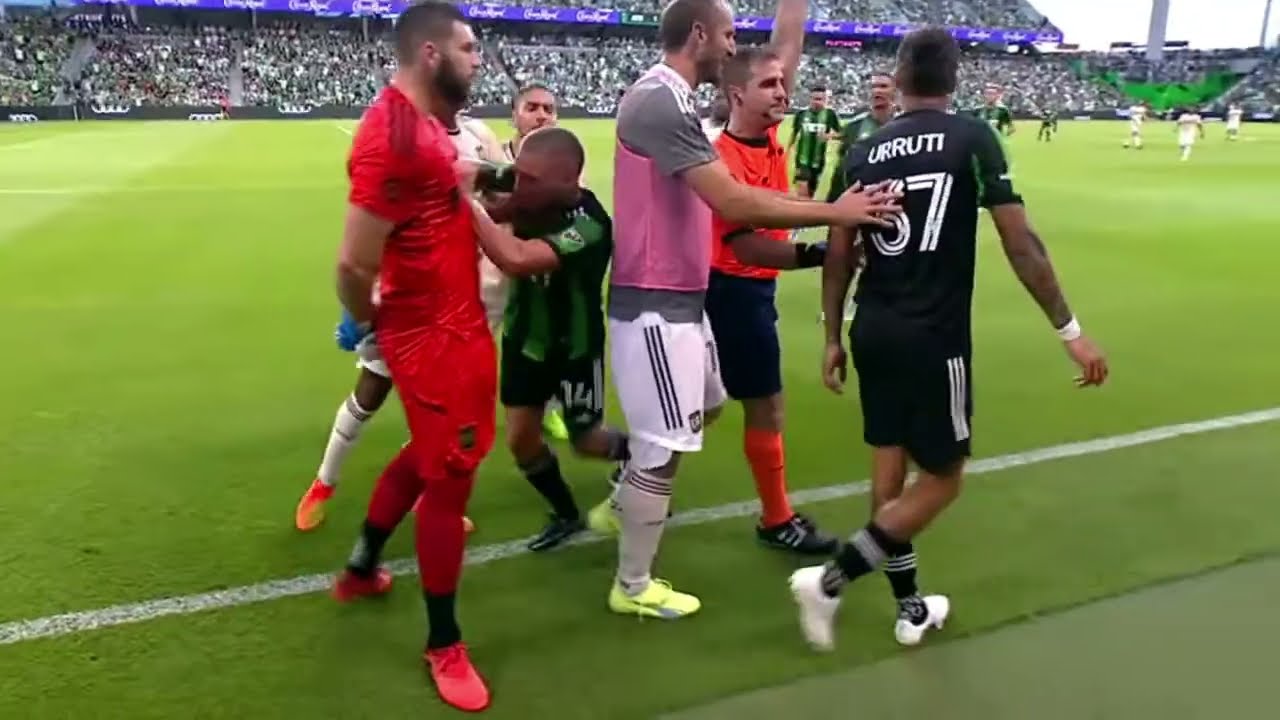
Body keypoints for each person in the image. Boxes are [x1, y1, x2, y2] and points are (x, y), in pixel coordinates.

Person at [790, 27, 1109, 652]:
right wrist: (1069, 330)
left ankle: (911, 608)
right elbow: (1022, 245)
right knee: (942, 479)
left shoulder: (864, 149)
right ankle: (829, 581)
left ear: (900, 78)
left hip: (872, 327)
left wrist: (833, 335)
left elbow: (837, 256)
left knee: (889, 476)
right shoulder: (972, 138)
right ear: (955, 79)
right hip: (933, 337)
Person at [596, 0, 901, 621]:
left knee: (704, 407)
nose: (736, 48)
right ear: (701, 35)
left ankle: (626, 497)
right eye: (731, 36)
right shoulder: (661, 100)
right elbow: (734, 202)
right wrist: (838, 214)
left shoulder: (680, 100)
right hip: (655, 301)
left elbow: (783, 49)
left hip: (685, 301)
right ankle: (632, 584)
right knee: (662, 447)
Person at [326, 3, 553, 711]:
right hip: (427, 337)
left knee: (432, 458)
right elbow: (352, 263)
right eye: (469, 46)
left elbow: (453, 175)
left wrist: (508, 183)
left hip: (460, 324)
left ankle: (362, 564)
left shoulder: (425, 125)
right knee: (451, 477)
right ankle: (444, 643)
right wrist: (374, 326)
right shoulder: (390, 135)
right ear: (431, 54)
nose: (478, 58)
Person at [293, 104, 502, 532]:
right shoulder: (409, 141)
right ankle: (323, 483)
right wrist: (361, 304)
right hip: (408, 294)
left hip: (461, 298)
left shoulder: (479, 133)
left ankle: (426, 499)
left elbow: (500, 194)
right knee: (371, 389)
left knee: (443, 407)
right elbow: (380, 222)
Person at [701, 38, 837, 553]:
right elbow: (750, 245)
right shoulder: (724, 159)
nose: (783, 92)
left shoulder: (771, 137)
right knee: (761, 409)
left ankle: (634, 474)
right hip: (732, 291)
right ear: (736, 95)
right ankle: (777, 519)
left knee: (700, 409)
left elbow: (786, 49)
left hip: (747, 292)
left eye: (782, 82)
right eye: (769, 84)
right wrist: (823, 253)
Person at [488, 127, 631, 552]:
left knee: (587, 441)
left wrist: (469, 207)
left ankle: (647, 466)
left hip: (573, 348)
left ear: (570, 181)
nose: (518, 184)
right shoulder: (529, 189)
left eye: (530, 179)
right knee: (520, 440)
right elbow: (481, 177)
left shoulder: (590, 224)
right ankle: (565, 513)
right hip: (524, 338)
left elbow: (517, 260)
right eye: (518, 174)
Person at [788, 84, 841, 198]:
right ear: (810, 99)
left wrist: (829, 136)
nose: (817, 102)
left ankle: (805, 212)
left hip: (818, 161)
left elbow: (842, 134)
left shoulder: (830, 115)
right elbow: (794, 133)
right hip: (802, 160)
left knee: (810, 193)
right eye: (814, 99)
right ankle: (801, 213)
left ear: (826, 100)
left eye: (820, 99)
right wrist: (786, 151)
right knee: (802, 191)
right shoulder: (801, 114)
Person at [835, 72, 895, 164]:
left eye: (883, 86)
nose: (877, 90)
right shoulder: (854, 126)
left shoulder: (907, 124)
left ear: (894, 90)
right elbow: (843, 165)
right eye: (873, 87)